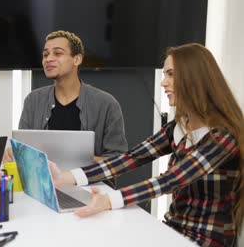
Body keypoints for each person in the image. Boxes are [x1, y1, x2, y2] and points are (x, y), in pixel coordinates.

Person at [50, 43, 244, 246]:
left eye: (170, 74)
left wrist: (109, 201)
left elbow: (171, 180)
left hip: (206, 239)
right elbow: (130, 158)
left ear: (194, 78)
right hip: (173, 231)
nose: (163, 83)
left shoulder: (223, 136)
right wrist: (67, 177)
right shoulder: (179, 127)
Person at [3, 30, 128, 163]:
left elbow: (119, 161)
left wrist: (81, 161)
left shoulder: (106, 103)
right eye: (45, 55)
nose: (48, 59)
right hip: (44, 182)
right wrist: (15, 153)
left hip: (89, 182)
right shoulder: (33, 100)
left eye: (57, 53)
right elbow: (23, 150)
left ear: (77, 59)